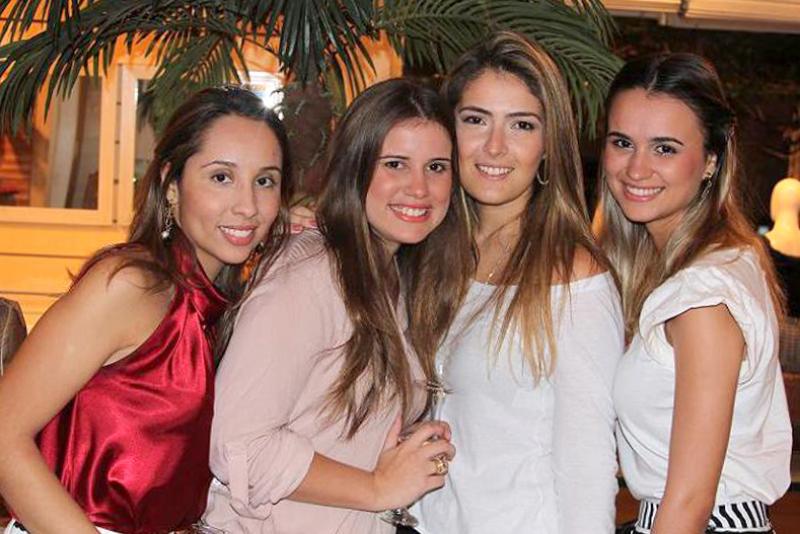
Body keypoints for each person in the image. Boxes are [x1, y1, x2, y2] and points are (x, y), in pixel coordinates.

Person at [0, 86, 293, 534]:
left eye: (265, 181)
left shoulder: (223, 309)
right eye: (221, 177)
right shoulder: (131, 287)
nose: (248, 206)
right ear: (172, 186)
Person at [203, 78, 471, 534]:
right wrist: (377, 486)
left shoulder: (393, 275)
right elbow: (239, 447)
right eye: (395, 164)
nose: (420, 188)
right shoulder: (310, 274)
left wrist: (391, 442)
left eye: (437, 167)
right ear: (355, 167)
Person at [413, 31, 623, 534]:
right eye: (475, 120)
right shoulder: (427, 251)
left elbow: (587, 466)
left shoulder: (573, 279)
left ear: (548, 145)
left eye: (522, 125)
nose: (494, 146)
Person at [598, 53, 791, 533]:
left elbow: (689, 502)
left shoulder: (701, 295)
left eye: (664, 148)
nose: (636, 168)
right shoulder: (723, 261)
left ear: (710, 160)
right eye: (623, 143)